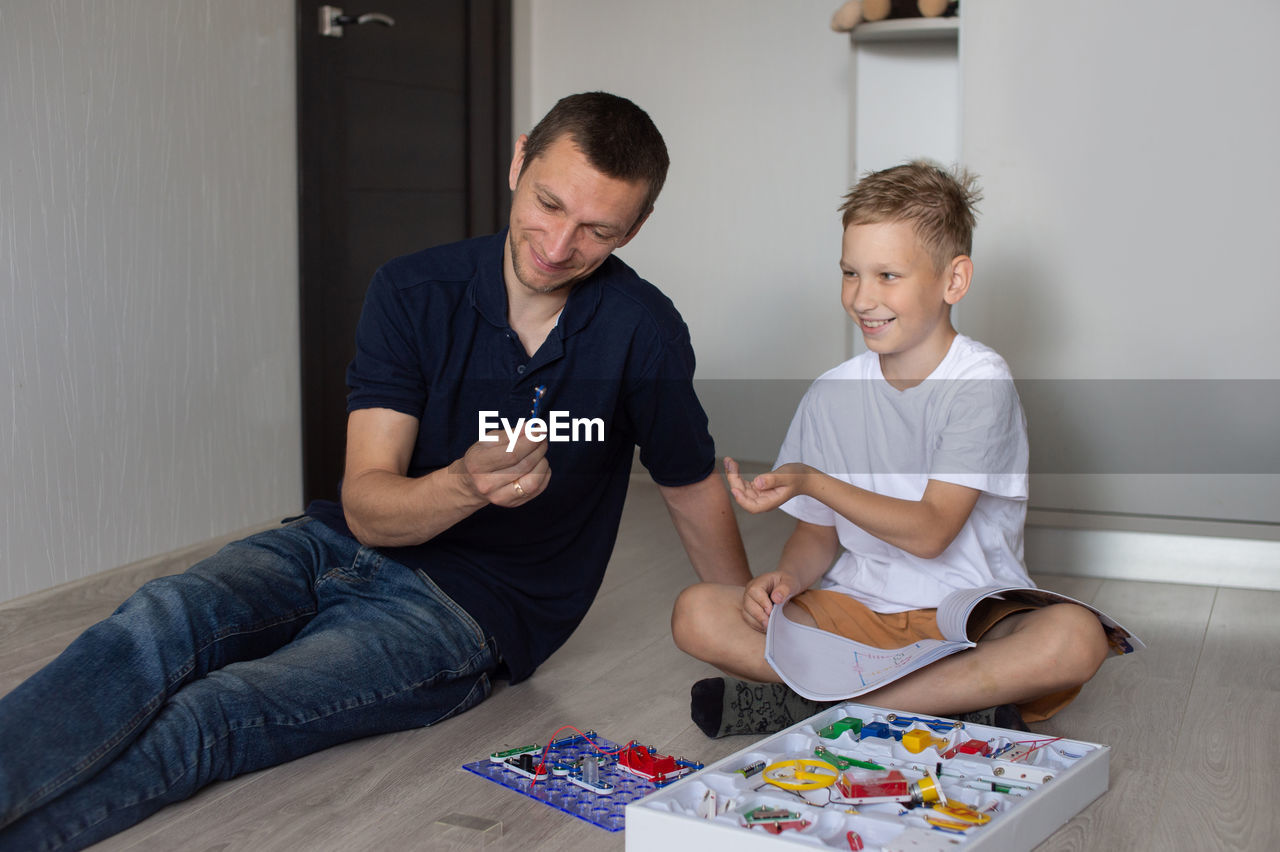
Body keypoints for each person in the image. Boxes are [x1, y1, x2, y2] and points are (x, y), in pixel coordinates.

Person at [0, 91, 750, 850]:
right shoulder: (412, 289)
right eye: (548, 203)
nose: (558, 246)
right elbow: (366, 506)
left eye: (598, 230)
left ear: (638, 227)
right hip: (333, 544)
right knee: (158, 619)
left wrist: (753, 642)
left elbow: (689, 486)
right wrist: (465, 483)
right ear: (518, 160)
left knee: (219, 711)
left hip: (469, 611)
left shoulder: (645, 331)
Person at [671, 161, 1110, 738]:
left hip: (968, 620)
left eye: (888, 276)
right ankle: (936, 705)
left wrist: (813, 481)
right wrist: (785, 580)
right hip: (857, 617)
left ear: (954, 281)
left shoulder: (980, 381)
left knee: (1076, 637)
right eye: (850, 273)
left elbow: (931, 531)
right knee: (697, 613)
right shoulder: (832, 393)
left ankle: (821, 704)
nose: (862, 297)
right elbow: (818, 534)